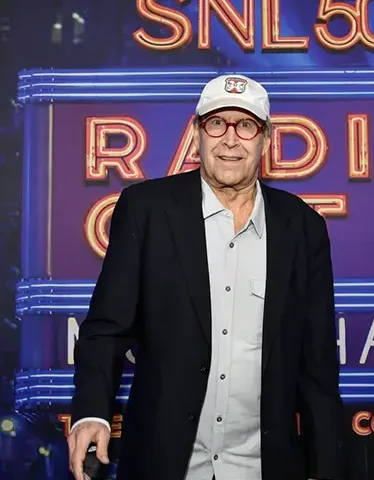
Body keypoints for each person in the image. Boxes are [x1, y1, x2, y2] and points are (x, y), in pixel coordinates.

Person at [67, 74, 344, 480]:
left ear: (266, 140)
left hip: (264, 468)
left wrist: (328, 468)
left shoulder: (303, 228)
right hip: (164, 465)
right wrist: (92, 412)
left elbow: (318, 368)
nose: (230, 139)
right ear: (197, 133)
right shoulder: (147, 210)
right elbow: (105, 329)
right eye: (217, 123)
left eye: (245, 125)